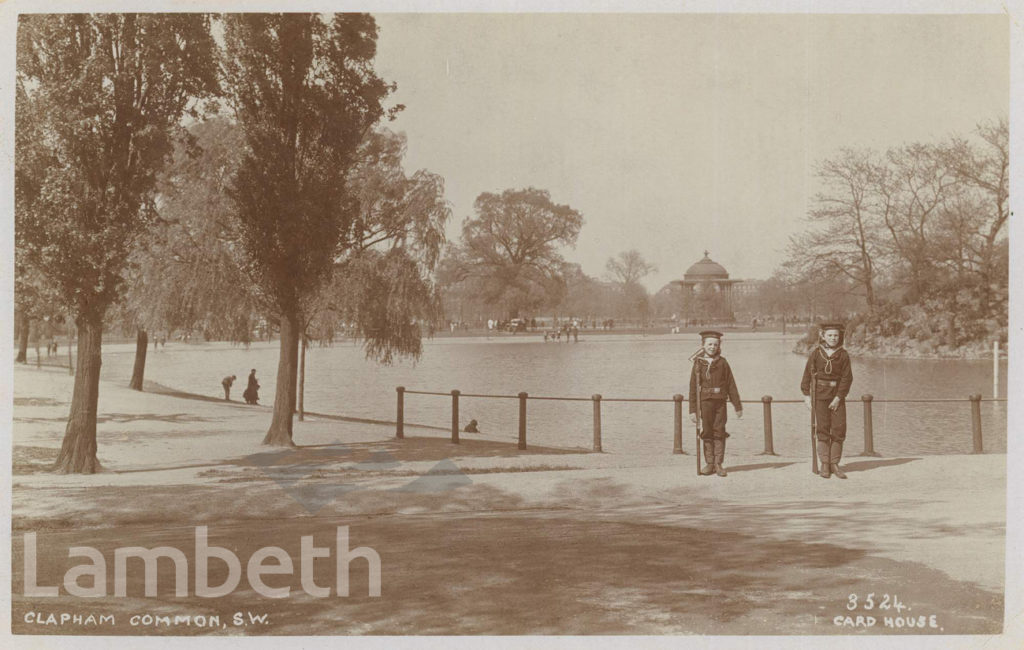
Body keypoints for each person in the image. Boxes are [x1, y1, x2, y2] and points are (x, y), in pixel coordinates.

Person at [801, 322, 853, 479]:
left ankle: (834, 464)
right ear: (823, 336)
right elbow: (807, 376)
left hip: (837, 397)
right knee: (822, 429)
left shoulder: (843, 355)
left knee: (838, 429)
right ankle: (824, 463)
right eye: (830, 335)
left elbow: (847, 378)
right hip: (820, 396)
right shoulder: (816, 353)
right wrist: (807, 397)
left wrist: (838, 397)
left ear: (840, 337)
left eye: (836, 335)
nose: (833, 338)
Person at [688, 330, 743, 477]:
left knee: (719, 431)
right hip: (704, 403)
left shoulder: (723, 363)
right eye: (709, 344)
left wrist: (737, 405)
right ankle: (709, 463)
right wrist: (692, 410)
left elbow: (731, 385)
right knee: (707, 431)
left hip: (720, 403)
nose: (712, 347)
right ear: (703, 345)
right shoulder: (698, 364)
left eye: (715, 344)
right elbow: (693, 388)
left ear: (719, 346)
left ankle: (719, 464)